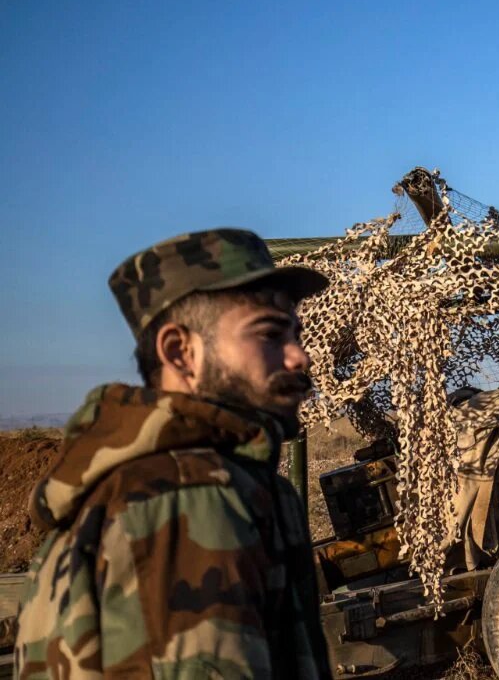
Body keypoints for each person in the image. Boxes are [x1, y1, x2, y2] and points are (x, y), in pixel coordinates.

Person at [14, 229, 334, 679]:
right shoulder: (189, 494)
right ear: (180, 352)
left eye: (296, 334)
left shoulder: (124, 486)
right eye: (269, 334)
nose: (299, 356)